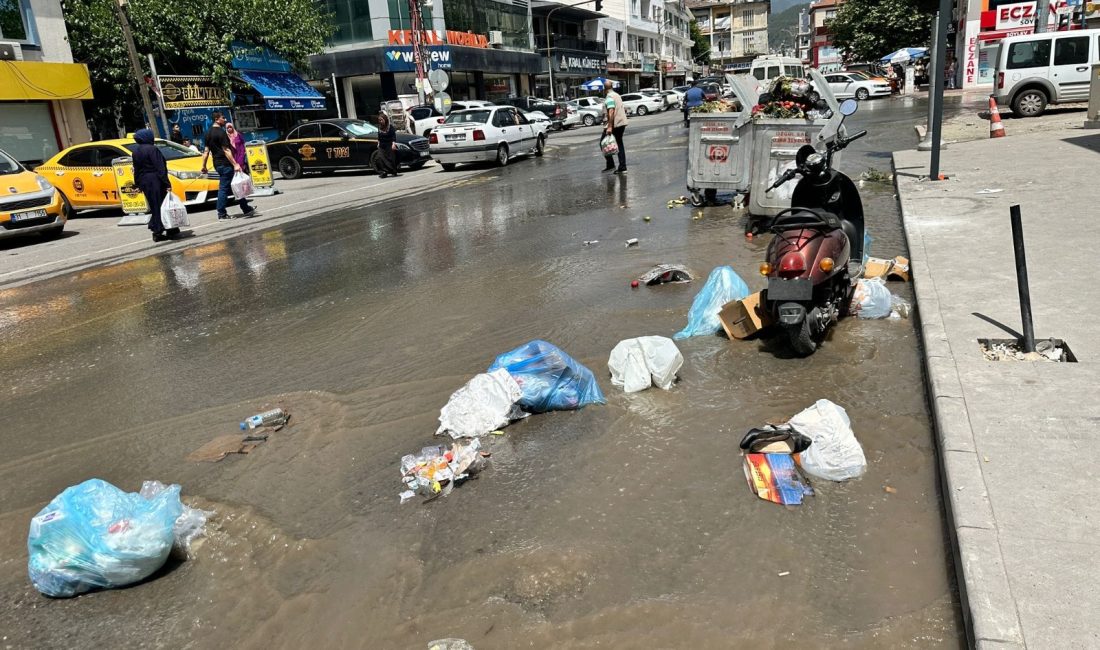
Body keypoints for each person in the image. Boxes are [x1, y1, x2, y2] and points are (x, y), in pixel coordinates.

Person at [200, 111, 256, 220]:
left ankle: (246, 208)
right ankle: (221, 213)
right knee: (224, 189)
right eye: (223, 118)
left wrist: (204, 166)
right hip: (226, 164)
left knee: (236, 185)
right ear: (217, 119)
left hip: (217, 164)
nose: (224, 120)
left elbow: (206, 151)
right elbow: (226, 150)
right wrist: (235, 164)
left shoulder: (207, 133)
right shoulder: (221, 133)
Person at [131, 128, 177, 242]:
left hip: (145, 181)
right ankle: (164, 229)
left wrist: (137, 184)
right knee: (162, 205)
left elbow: (137, 169)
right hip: (156, 180)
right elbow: (160, 167)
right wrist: (167, 183)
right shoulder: (152, 149)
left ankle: (159, 229)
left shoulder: (136, 152)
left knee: (154, 205)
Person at [602, 79, 628, 174]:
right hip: (621, 123)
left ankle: (611, 164)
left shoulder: (609, 97)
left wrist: (609, 126)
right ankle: (622, 166)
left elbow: (611, 111)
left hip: (614, 124)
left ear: (604, 89)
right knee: (619, 144)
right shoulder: (617, 95)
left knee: (603, 142)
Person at [376, 113, 400, 178]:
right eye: (379, 120)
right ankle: (384, 172)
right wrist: (378, 143)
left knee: (391, 158)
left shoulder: (390, 127)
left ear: (385, 120)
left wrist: (393, 144)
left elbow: (393, 136)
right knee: (380, 158)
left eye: (381, 120)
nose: (380, 121)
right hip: (382, 145)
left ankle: (393, 171)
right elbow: (379, 137)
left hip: (389, 144)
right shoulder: (379, 127)